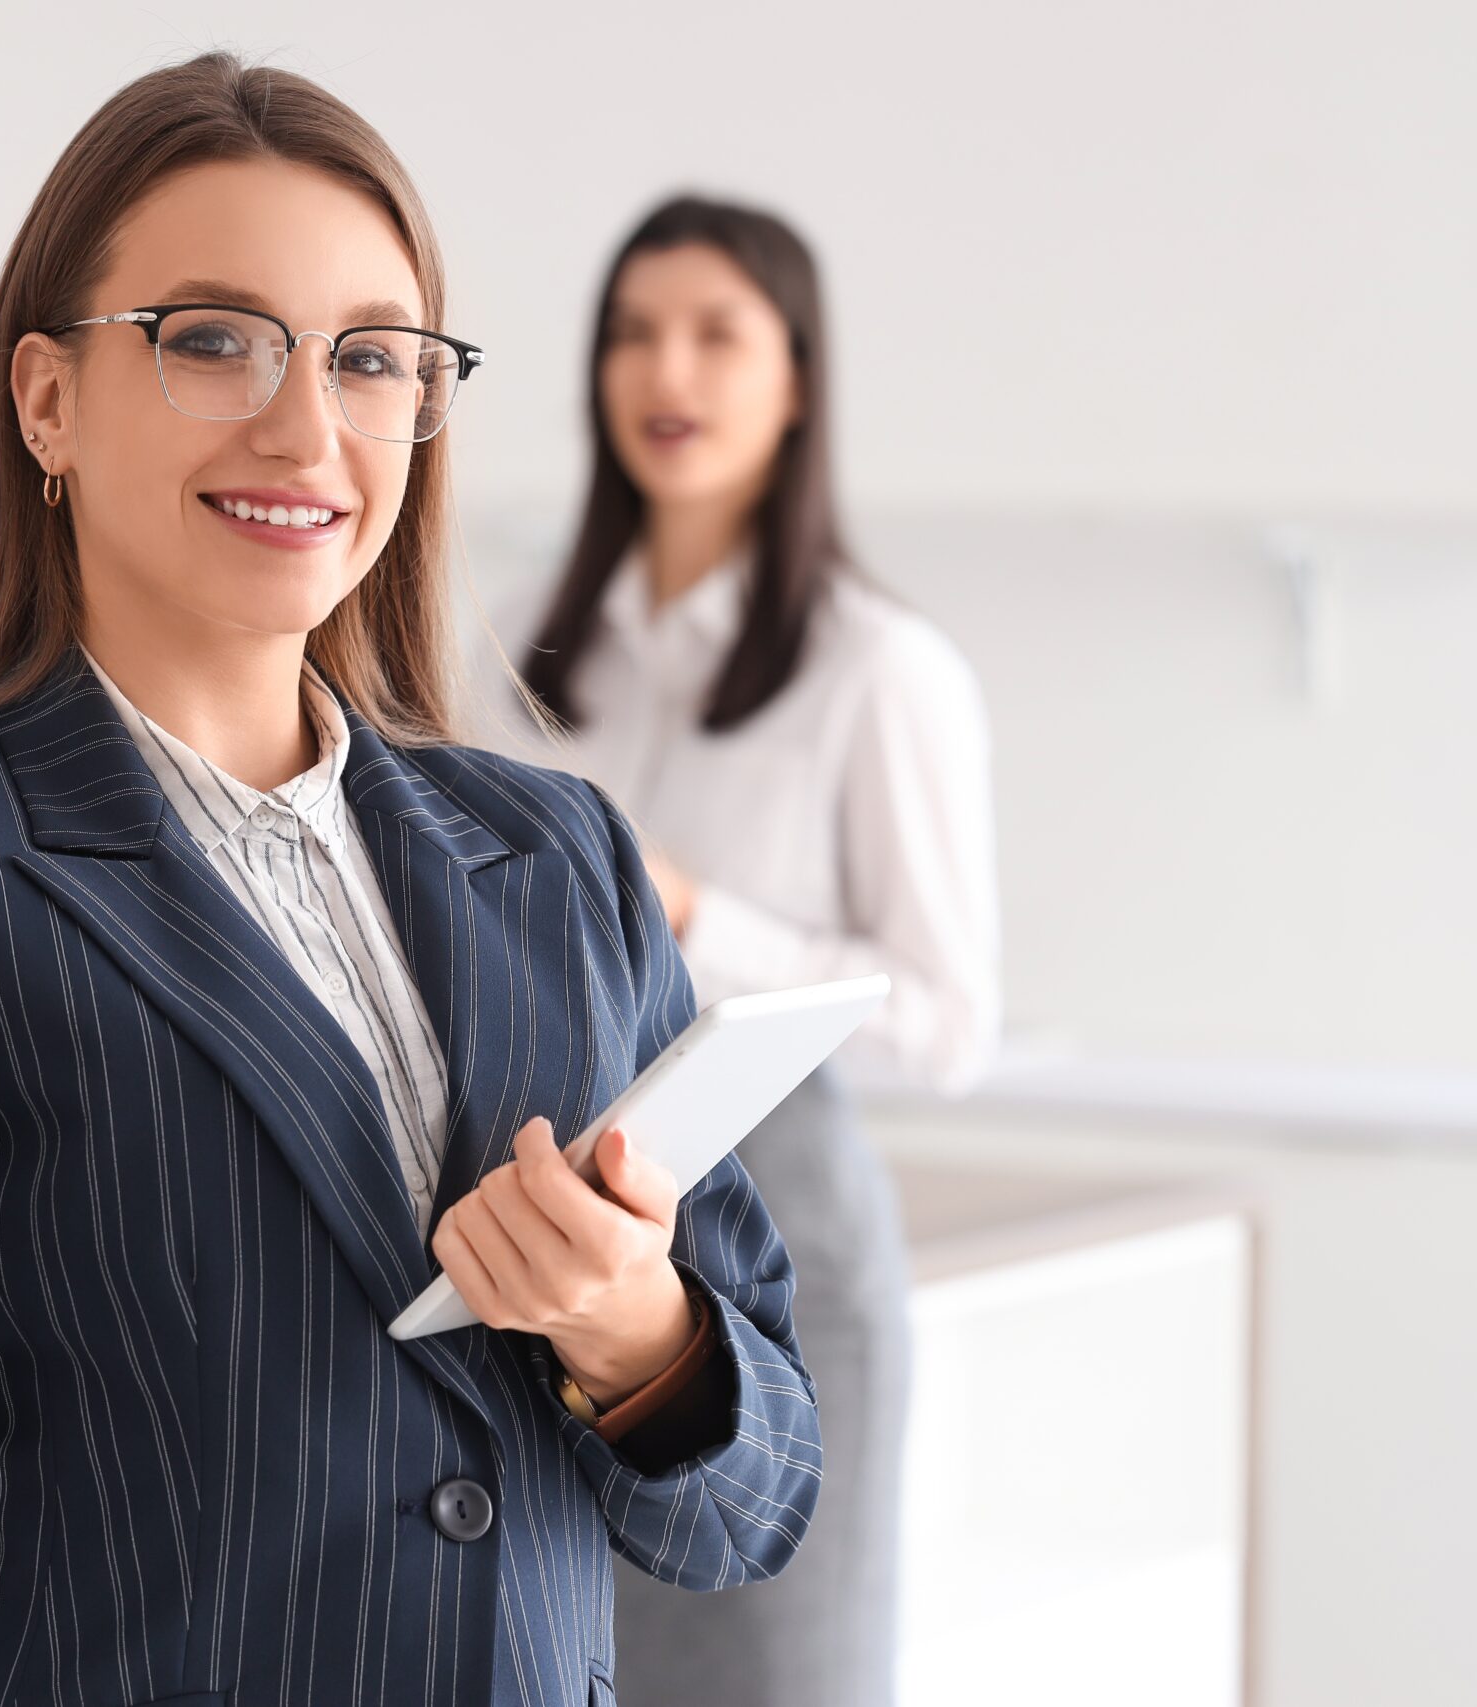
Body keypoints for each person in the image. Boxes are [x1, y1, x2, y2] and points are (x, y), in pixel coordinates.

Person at [0, 57, 821, 1705]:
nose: (307, 426)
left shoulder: (558, 859)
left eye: (372, 358)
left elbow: (751, 1511)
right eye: (214, 341)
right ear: (46, 400)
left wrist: (632, 1333)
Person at [514, 195, 1003, 1706]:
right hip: (571, 1260)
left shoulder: (881, 670)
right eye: (634, 334)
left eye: (719, 335)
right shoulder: (543, 653)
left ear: (796, 378)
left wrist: (696, 917)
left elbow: (947, 1022)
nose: (671, 371)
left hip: (782, 1251)